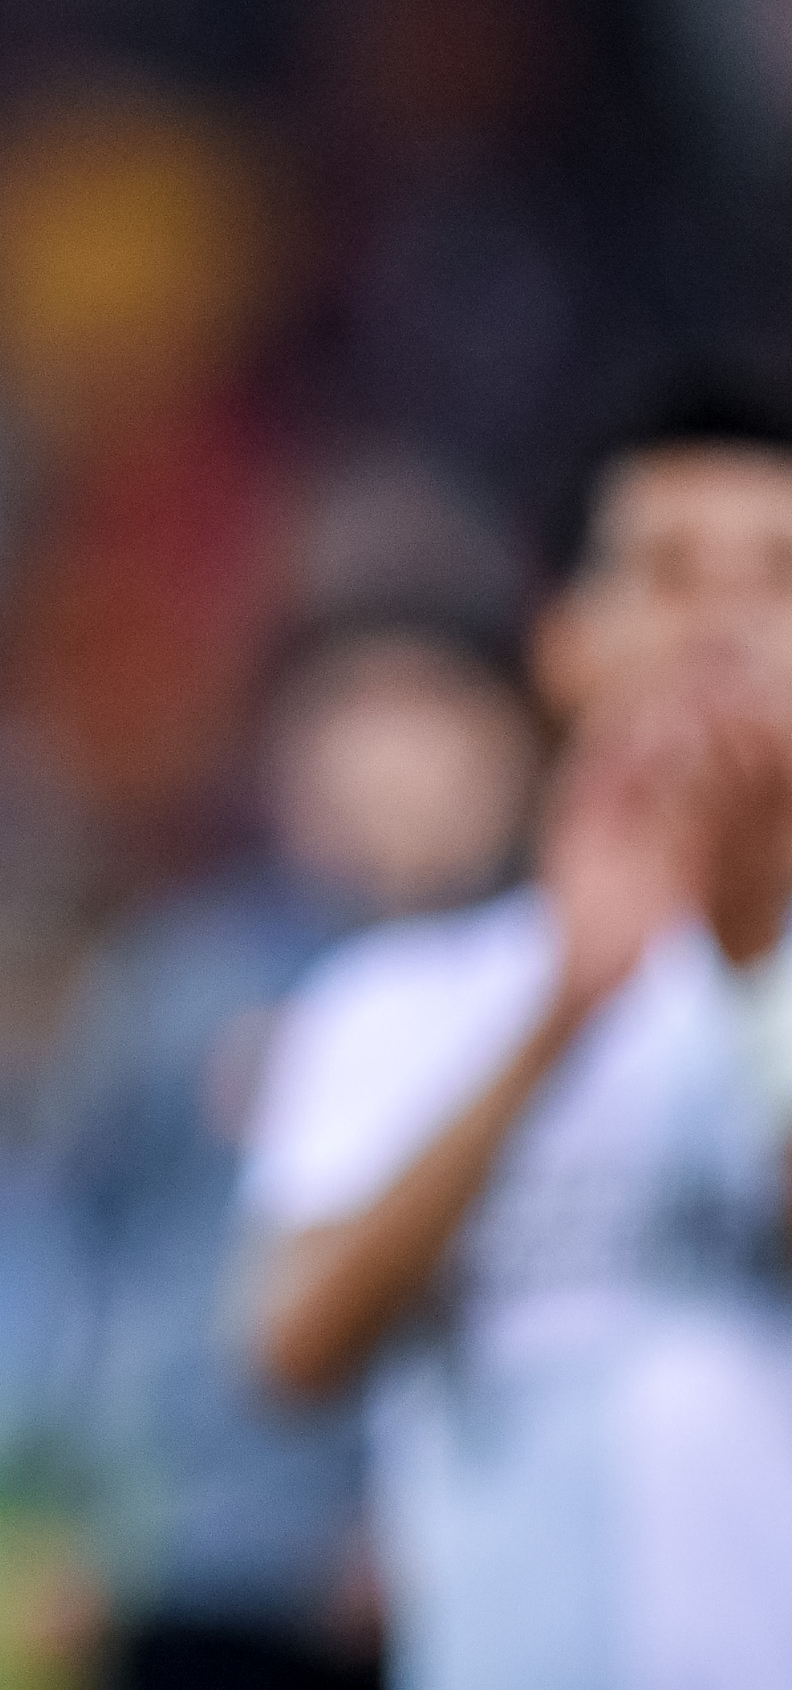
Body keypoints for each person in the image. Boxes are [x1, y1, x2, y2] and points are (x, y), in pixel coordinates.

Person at [242, 400, 792, 1690]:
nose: (723, 626)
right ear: (565, 641)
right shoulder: (400, 996)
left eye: (777, 574)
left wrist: (751, 938)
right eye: (668, 572)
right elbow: (294, 1342)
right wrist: (558, 1020)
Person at [38, 617, 538, 1690]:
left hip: (449, 1558)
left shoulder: (546, 986)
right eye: (357, 710)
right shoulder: (183, 976)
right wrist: (61, 1507)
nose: (393, 755)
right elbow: (95, 1240)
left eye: (437, 710)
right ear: (286, 749)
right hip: (198, 1557)